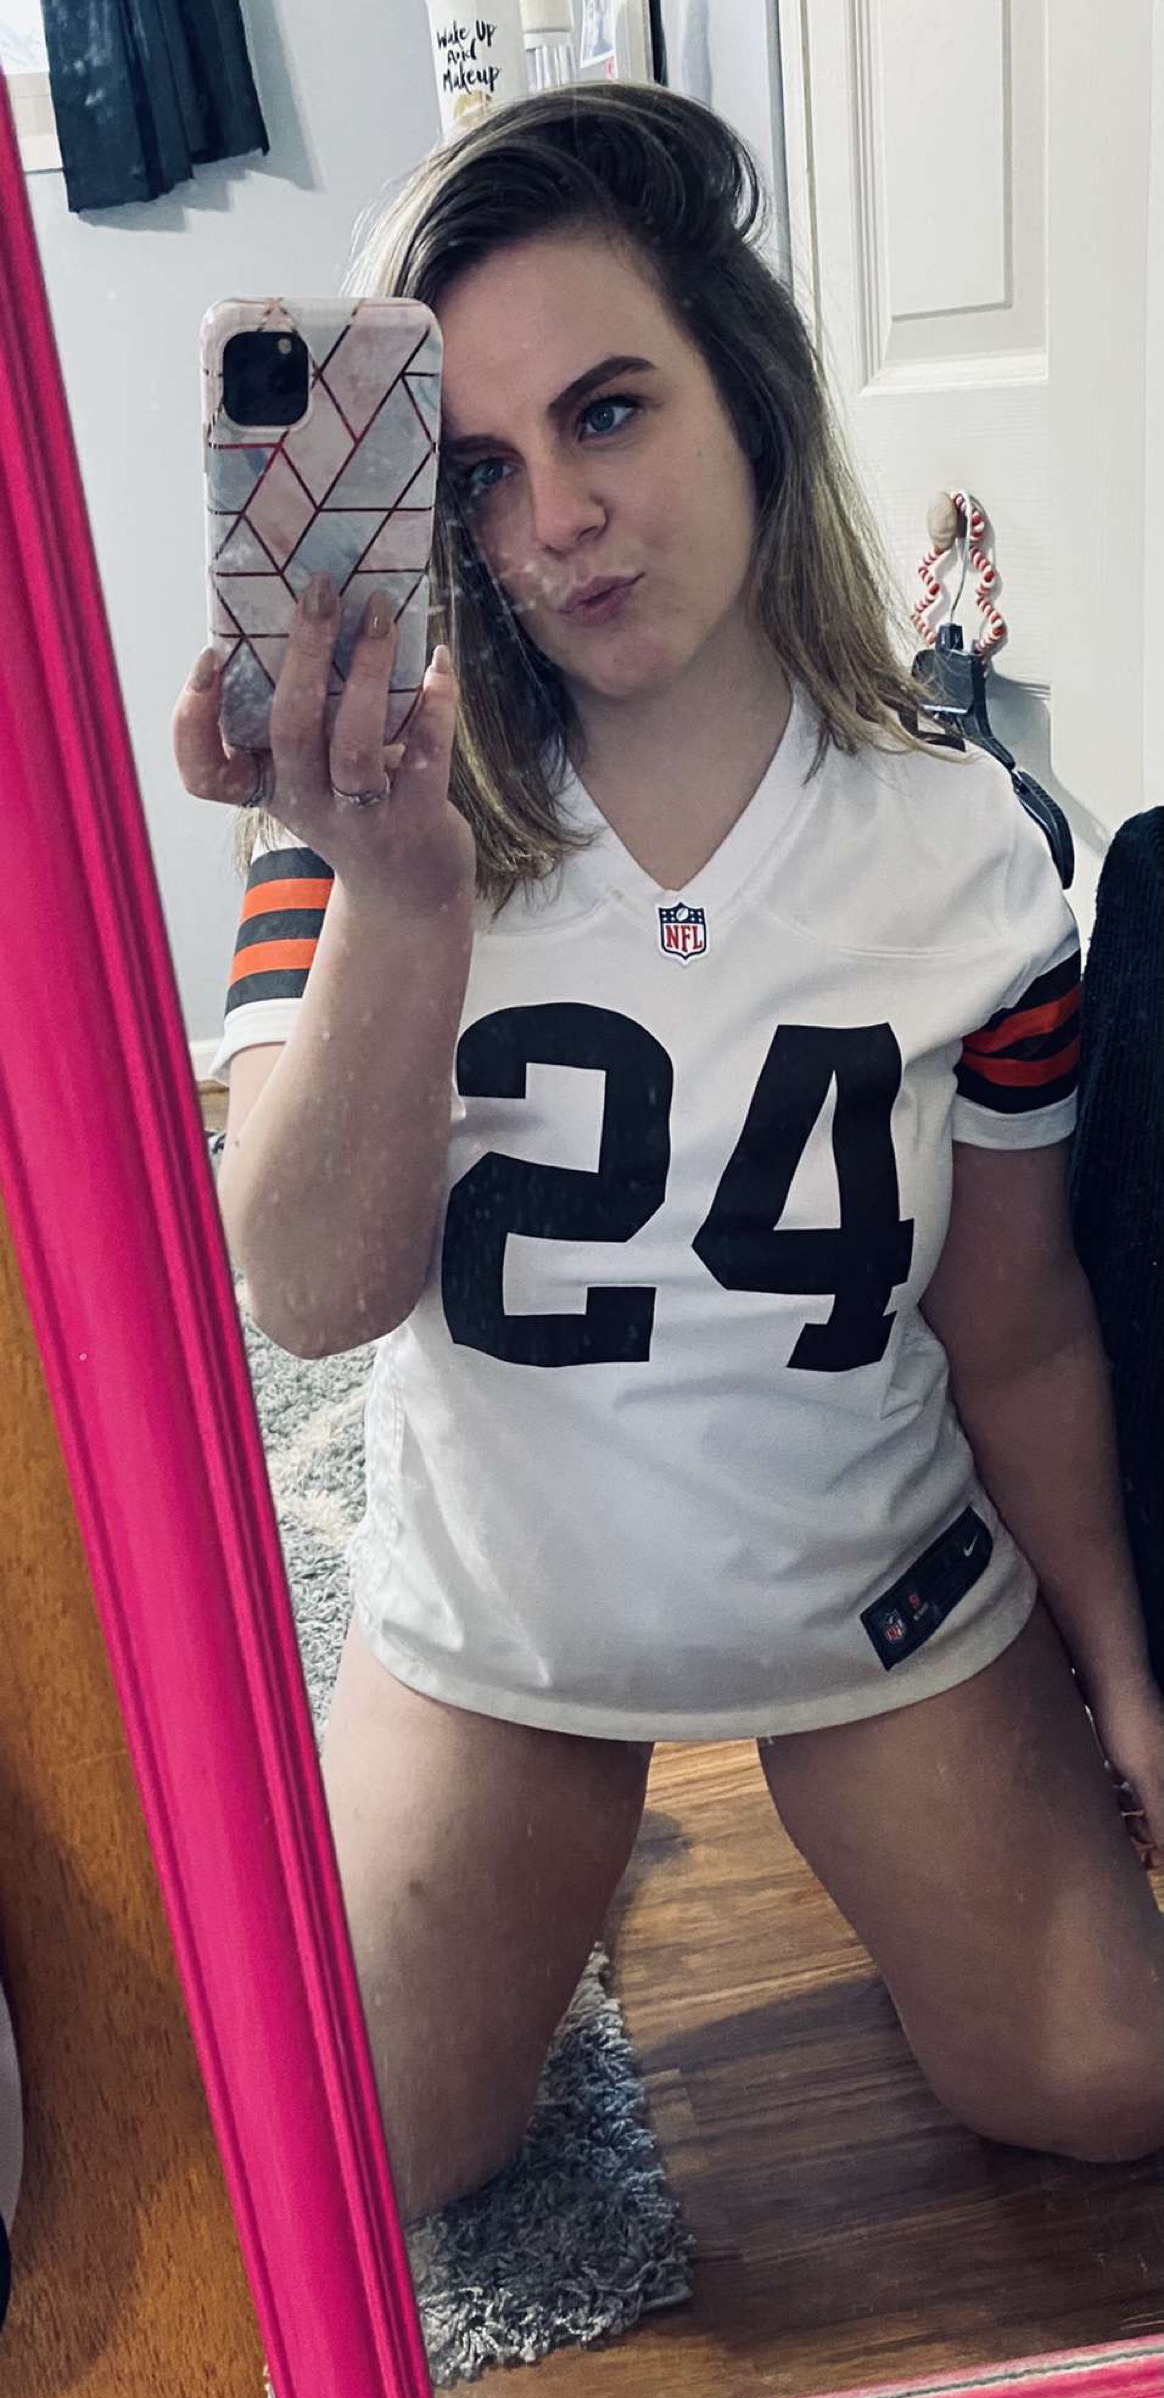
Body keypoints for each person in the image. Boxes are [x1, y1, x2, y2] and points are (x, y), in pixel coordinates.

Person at [174, 86, 1164, 2224]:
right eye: (479, 471)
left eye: (608, 412)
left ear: (750, 395)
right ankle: (577, 1846)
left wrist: (1120, 1665)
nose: (557, 522)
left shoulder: (973, 849)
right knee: (357, 2159)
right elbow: (311, 1302)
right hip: (504, 1617)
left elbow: (1014, 1326)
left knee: (1106, 2079)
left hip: (865, 1583)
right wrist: (402, 899)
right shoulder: (354, 821)